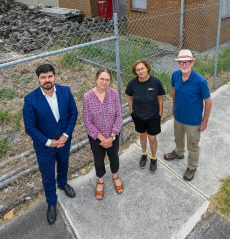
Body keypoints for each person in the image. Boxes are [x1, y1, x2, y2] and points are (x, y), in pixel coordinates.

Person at [23, 64, 78, 224]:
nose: (47, 80)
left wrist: (66, 135)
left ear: (54, 76)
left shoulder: (66, 91)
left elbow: (73, 113)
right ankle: (51, 202)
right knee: (47, 176)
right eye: (43, 77)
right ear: (38, 78)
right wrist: (49, 142)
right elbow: (30, 127)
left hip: (64, 141)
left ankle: (62, 183)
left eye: (50, 76)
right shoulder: (30, 99)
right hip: (44, 147)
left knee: (63, 164)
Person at [164, 50, 212, 181]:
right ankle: (179, 153)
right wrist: (174, 108)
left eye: (187, 62)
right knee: (178, 138)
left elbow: (208, 102)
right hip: (178, 117)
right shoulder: (175, 75)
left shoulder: (200, 81)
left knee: (193, 145)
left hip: (193, 121)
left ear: (192, 62)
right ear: (178, 63)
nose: (184, 65)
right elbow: (174, 92)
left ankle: (192, 167)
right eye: (181, 62)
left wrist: (204, 121)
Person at [83, 68, 123, 200]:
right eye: (102, 79)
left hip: (113, 135)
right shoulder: (87, 97)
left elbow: (119, 116)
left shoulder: (114, 94)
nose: (104, 82)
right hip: (96, 138)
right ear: (96, 79)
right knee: (98, 159)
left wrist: (111, 137)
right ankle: (100, 180)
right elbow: (87, 121)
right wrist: (102, 138)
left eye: (107, 80)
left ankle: (115, 175)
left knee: (114, 156)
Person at [125, 59, 166, 173]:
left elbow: (160, 98)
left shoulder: (155, 82)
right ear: (135, 72)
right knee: (142, 135)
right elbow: (130, 98)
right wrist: (132, 111)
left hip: (153, 116)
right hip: (138, 116)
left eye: (142, 68)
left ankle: (153, 157)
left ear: (147, 68)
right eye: (137, 70)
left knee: (152, 138)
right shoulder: (132, 83)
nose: (140, 71)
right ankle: (144, 154)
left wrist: (160, 113)